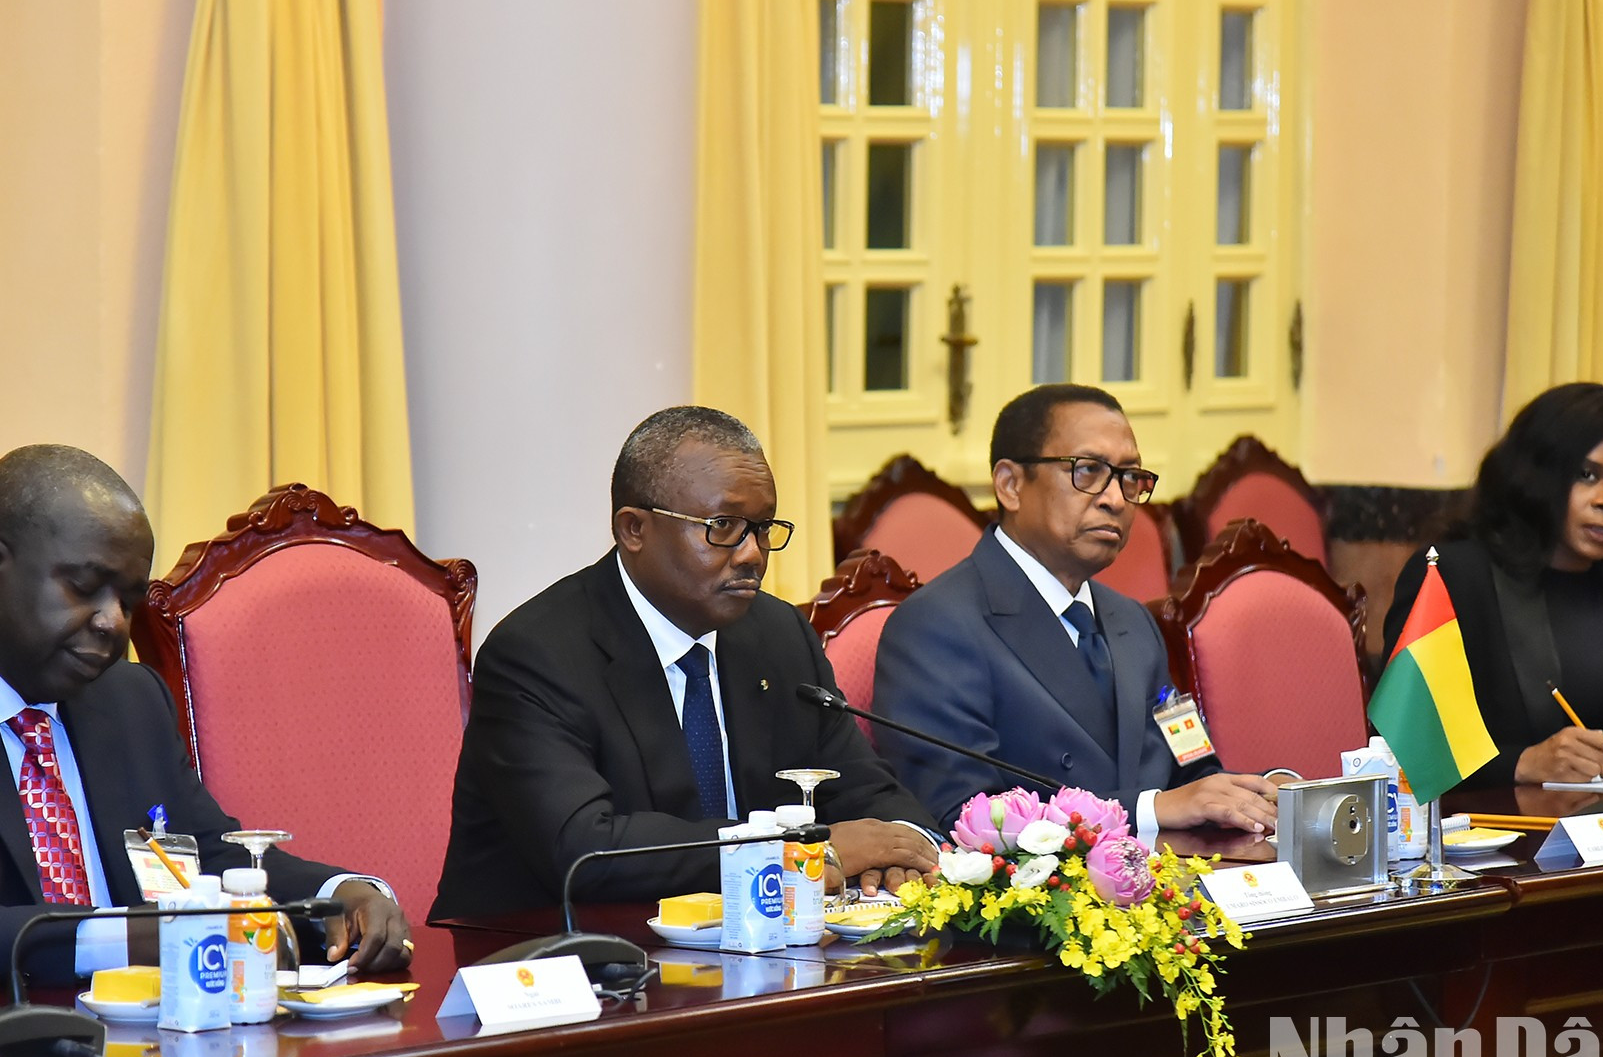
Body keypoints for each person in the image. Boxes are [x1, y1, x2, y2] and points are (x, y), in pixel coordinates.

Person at [0, 445, 412, 994]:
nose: (113, 623)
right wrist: (114, 937)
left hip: (147, 1046)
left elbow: (206, 856)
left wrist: (340, 893)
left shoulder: (127, 697)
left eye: (128, 599)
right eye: (84, 588)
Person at [432, 407, 937, 920]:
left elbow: (866, 788)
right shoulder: (538, 653)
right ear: (633, 529)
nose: (752, 554)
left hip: (745, 950)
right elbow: (585, 848)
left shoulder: (778, 634)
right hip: (545, 957)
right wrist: (796, 854)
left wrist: (903, 852)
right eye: (723, 526)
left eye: (762, 529)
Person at [873, 384, 1280, 835]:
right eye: (1087, 471)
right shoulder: (936, 626)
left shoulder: (1133, 621)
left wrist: (1252, 797)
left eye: (1130, 477)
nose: (1116, 499)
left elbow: (1193, 765)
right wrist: (1147, 810)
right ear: (1010, 485)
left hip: (1164, 888)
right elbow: (965, 815)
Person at [1383, 382, 1603, 787]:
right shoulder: (1451, 577)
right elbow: (1404, 748)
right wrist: (1523, 764)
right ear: (1537, 475)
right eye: (1587, 475)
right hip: (1507, 835)